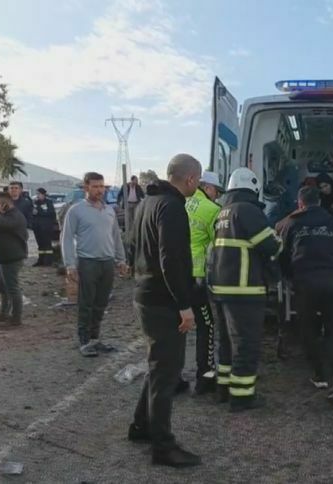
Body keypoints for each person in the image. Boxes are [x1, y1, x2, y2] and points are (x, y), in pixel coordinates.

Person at [128, 154, 201, 467]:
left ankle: (141, 426)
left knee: (159, 366)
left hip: (145, 293)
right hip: (163, 300)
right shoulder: (172, 208)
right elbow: (171, 260)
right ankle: (163, 446)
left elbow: (133, 246)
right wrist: (184, 306)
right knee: (167, 373)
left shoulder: (146, 203)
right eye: (197, 182)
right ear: (190, 180)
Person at [208, 167, 282, 412]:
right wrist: (279, 241)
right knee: (246, 344)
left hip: (220, 287)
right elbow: (270, 247)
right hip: (244, 290)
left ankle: (223, 389)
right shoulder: (248, 210)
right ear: (254, 189)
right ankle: (241, 397)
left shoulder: (223, 212)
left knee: (226, 343)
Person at [279, 186, 333, 403]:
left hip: (305, 282)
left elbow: (282, 255)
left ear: (300, 203)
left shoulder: (291, 223)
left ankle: (319, 375)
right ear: (320, 202)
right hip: (332, 281)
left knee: (308, 327)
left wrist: (288, 276)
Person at [61, 172, 127, 357]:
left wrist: (121, 260)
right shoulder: (76, 210)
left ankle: (95, 339)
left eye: (102, 186)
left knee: (101, 303)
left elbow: (116, 237)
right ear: (86, 188)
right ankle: (84, 341)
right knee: (86, 303)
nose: (100, 190)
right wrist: (70, 265)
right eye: (95, 186)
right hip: (87, 262)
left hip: (107, 263)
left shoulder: (108, 210)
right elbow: (66, 238)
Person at [185, 171, 222, 395]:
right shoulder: (212, 210)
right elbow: (218, 245)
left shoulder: (181, 202)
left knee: (175, 326)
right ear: (208, 188)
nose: (217, 197)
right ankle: (205, 377)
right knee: (206, 325)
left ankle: (172, 376)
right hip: (196, 277)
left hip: (171, 275)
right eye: (216, 192)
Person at [0, 192, 28, 328]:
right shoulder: (6, 215)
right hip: (4, 258)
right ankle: (4, 313)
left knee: (12, 289)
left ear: (5, 203)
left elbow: (3, 225)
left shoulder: (15, 216)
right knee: (3, 288)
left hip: (12, 257)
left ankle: (16, 318)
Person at [118, 175, 146, 270]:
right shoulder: (125, 186)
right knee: (128, 218)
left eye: (137, 181)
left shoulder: (137, 187)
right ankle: (129, 230)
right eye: (135, 181)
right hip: (128, 203)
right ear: (131, 180)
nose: (136, 182)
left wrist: (145, 200)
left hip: (136, 203)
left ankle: (134, 229)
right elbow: (120, 194)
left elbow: (142, 194)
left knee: (136, 217)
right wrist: (119, 202)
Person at [32, 188, 56, 267]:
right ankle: (40, 260)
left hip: (46, 226)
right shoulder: (36, 202)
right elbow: (33, 212)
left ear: (43, 194)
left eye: (39, 194)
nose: (37, 195)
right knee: (40, 244)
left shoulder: (48, 202)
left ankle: (48, 260)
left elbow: (51, 213)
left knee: (47, 244)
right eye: (37, 194)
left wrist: (40, 211)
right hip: (37, 226)